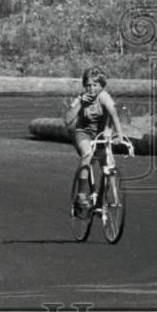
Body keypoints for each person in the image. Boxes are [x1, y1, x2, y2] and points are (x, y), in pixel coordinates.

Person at [65, 67, 125, 211]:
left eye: (95, 85)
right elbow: (67, 120)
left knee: (108, 166)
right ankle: (81, 195)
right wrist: (79, 103)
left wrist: (118, 134)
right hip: (83, 133)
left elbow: (114, 115)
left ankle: (101, 198)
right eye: (88, 85)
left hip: (99, 136)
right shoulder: (81, 98)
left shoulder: (104, 97)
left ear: (101, 86)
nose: (91, 88)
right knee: (88, 155)